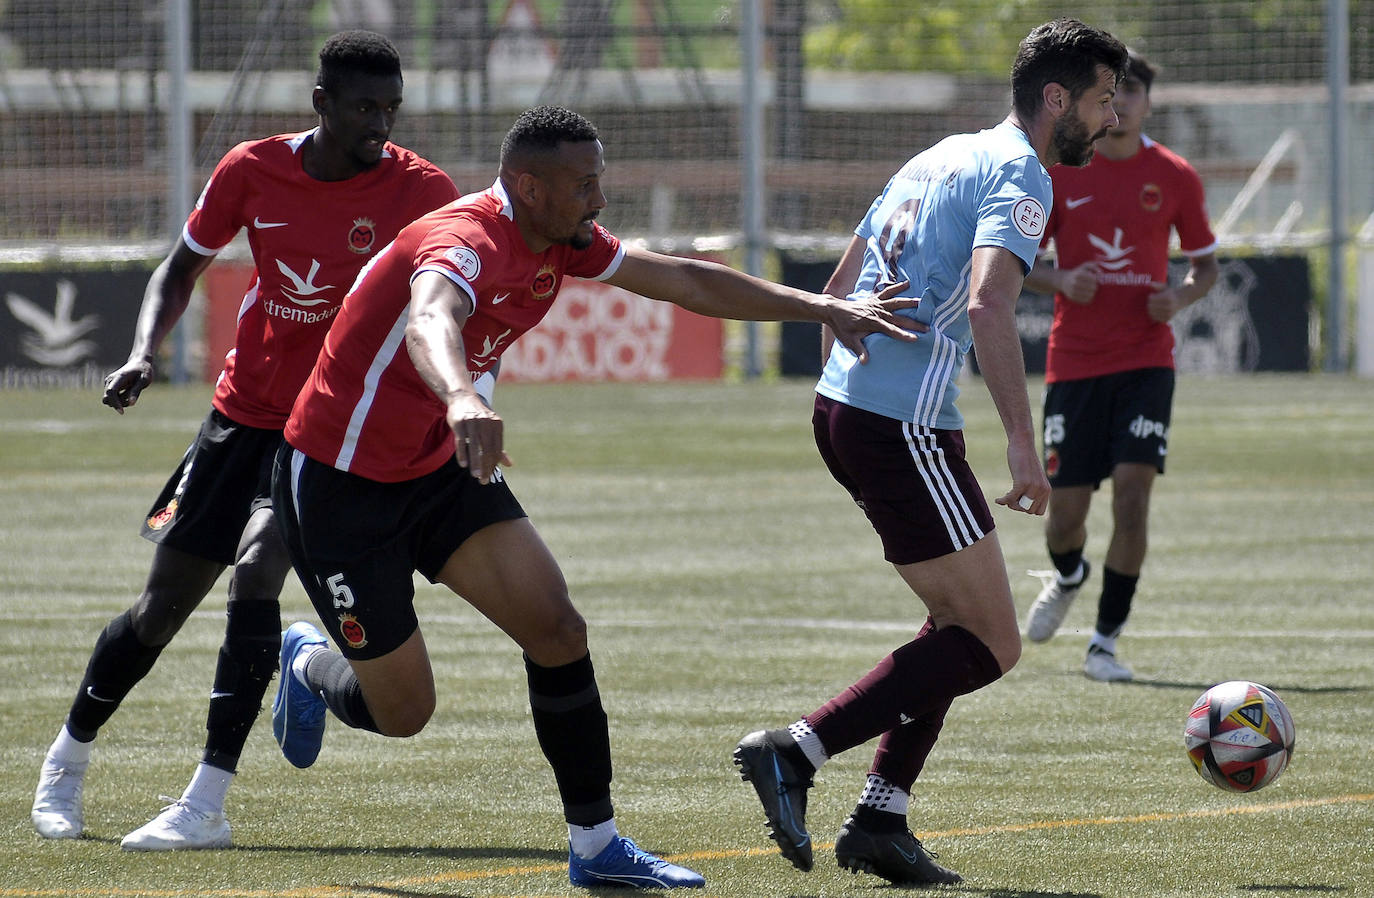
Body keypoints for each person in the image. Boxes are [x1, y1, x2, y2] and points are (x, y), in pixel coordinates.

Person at [267, 104, 923, 890]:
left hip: (440, 468)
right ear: (527, 187)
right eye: (584, 185)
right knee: (404, 714)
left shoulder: (563, 241)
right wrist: (462, 399)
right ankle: (307, 663)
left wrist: (817, 305)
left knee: (557, 628)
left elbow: (679, 278)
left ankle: (597, 847)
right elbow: (430, 318)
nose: (600, 201)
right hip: (341, 484)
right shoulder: (466, 239)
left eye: (600, 181)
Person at [31, 31, 460, 850]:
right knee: (160, 610)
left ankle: (205, 803)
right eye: (365, 107)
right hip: (242, 414)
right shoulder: (251, 169)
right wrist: (141, 352)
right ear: (321, 104)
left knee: (260, 571)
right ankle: (65, 763)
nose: (381, 124)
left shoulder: (421, 190)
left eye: (392, 109)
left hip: (327, 429)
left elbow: (458, 292)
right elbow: (181, 265)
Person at [732, 18, 1128, 886]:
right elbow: (990, 307)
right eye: (1102, 100)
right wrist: (1024, 446)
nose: (1110, 118)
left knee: (958, 617)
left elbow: (838, 287)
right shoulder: (1023, 176)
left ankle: (881, 819)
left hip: (846, 404)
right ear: (1056, 98)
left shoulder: (942, 153)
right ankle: (796, 750)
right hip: (900, 422)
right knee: (992, 641)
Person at [1021, 51, 1219, 682]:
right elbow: (1016, 263)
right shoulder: (1061, 173)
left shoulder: (1176, 175)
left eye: (1133, 91)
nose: (1123, 102)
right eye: (1113, 91)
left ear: (1148, 103)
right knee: (1066, 514)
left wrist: (1182, 295)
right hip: (1074, 364)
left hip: (1146, 361)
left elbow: (1206, 265)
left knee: (1133, 500)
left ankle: (1104, 643)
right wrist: (1058, 280)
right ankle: (1069, 573)